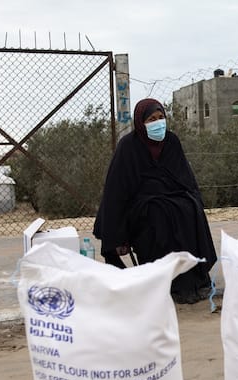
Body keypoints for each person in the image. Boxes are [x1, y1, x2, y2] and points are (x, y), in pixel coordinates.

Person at [93, 98, 217, 304]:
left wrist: (194, 199)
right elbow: (117, 193)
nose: (158, 123)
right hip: (141, 206)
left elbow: (184, 178)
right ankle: (165, 280)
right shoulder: (128, 147)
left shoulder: (172, 141)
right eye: (151, 119)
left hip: (172, 196)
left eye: (161, 117)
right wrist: (117, 237)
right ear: (141, 122)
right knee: (159, 213)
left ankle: (194, 278)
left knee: (189, 208)